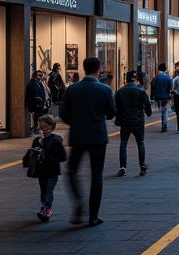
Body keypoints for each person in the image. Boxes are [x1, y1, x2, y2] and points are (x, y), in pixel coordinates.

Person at [60, 55, 116, 228]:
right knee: (96, 175)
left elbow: (63, 114)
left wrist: (76, 122)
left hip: (77, 136)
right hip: (98, 137)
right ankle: (93, 216)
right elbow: (112, 113)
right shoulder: (105, 90)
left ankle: (78, 201)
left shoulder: (72, 89)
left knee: (71, 170)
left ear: (84, 69)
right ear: (99, 70)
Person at [30, 113, 68, 222]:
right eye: (40, 127)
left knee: (48, 190)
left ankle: (45, 209)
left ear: (51, 127)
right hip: (41, 171)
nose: (43, 130)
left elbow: (62, 156)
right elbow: (31, 154)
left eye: (45, 127)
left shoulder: (55, 140)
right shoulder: (37, 141)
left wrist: (51, 155)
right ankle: (46, 208)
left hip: (52, 171)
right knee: (43, 191)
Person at [114, 69, 152, 176]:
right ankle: (142, 165)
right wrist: (148, 113)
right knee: (140, 143)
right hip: (138, 121)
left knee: (123, 143)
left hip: (125, 121)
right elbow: (148, 106)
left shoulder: (120, 92)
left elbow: (116, 107)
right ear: (136, 79)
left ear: (126, 79)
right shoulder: (141, 91)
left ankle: (122, 167)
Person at [25, 69, 50, 134]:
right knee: (36, 117)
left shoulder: (38, 83)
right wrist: (38, 100)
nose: (40, 77)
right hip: (36, 104)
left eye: (41, 75)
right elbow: (34, 94)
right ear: (35, 76)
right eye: (39, 75)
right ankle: (35, 128)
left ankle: (37, 128)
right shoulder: (32, 83)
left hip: (39, 103)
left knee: (38, 116)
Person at [150, 62, 173, 132]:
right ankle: (164, 125)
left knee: (161, 110)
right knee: (164, 110)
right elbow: (170, 87)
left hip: (157, 96)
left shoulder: (155, 78)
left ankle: (163, 123)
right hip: (165, 96)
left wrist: (152, 96)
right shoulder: (168, 77)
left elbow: (152, 87)